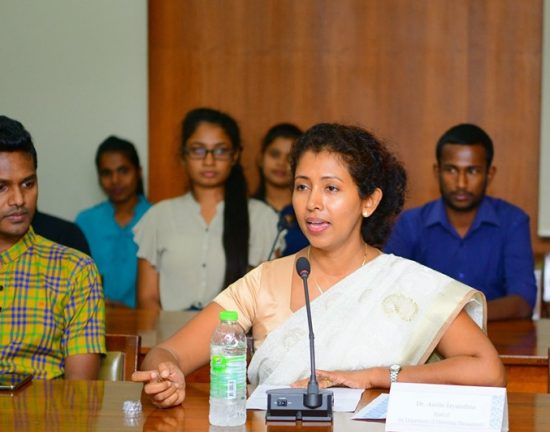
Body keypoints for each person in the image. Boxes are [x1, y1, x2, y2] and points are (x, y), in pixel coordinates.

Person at [132, 122, 505, 408]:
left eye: (331, 188)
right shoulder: (263, 281)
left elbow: (487, 369)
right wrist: (166, 373)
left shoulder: (405, 283)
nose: (313, 203)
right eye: (302, 186)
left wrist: (372, 377)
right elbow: (168, 353)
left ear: (369, 201)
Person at [385, 123, 536, 321]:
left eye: (472, 171)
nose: (461, 183)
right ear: (437, 171)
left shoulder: (513, 221)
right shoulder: (410, 224)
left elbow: (523, 302)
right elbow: (389, 294)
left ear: (489, 174)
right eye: (451, 170)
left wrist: (458, 319)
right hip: (427, 337)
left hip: (495, 337)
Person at [134, 107, 279, 312]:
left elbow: (269, 299)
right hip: (170, 331)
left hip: (234, 331)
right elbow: (147, 298)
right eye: (198, 150)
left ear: (235, 155)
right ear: (183, 155)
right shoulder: (158, 216)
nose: (209, 161)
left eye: (220, 150)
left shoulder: (261, 217)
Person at [0, 115, 105, 380]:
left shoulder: (74, 270)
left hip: (44, 406)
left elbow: (81, 393)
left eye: (28, 184)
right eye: (1, 187)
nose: (19, 200)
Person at [76, 136, 151, 308]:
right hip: (93, 318)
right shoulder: (85, 222)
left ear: (138, 172)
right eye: (106, 173)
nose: (115, 180)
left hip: (147, 320)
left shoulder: (157, 217)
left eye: (123, 171)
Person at [253, 123, 309, 256]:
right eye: (275, 154)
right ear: (260, 158)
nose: (281, 163)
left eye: (290, 158)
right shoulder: (249, 210)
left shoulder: (312, 210)